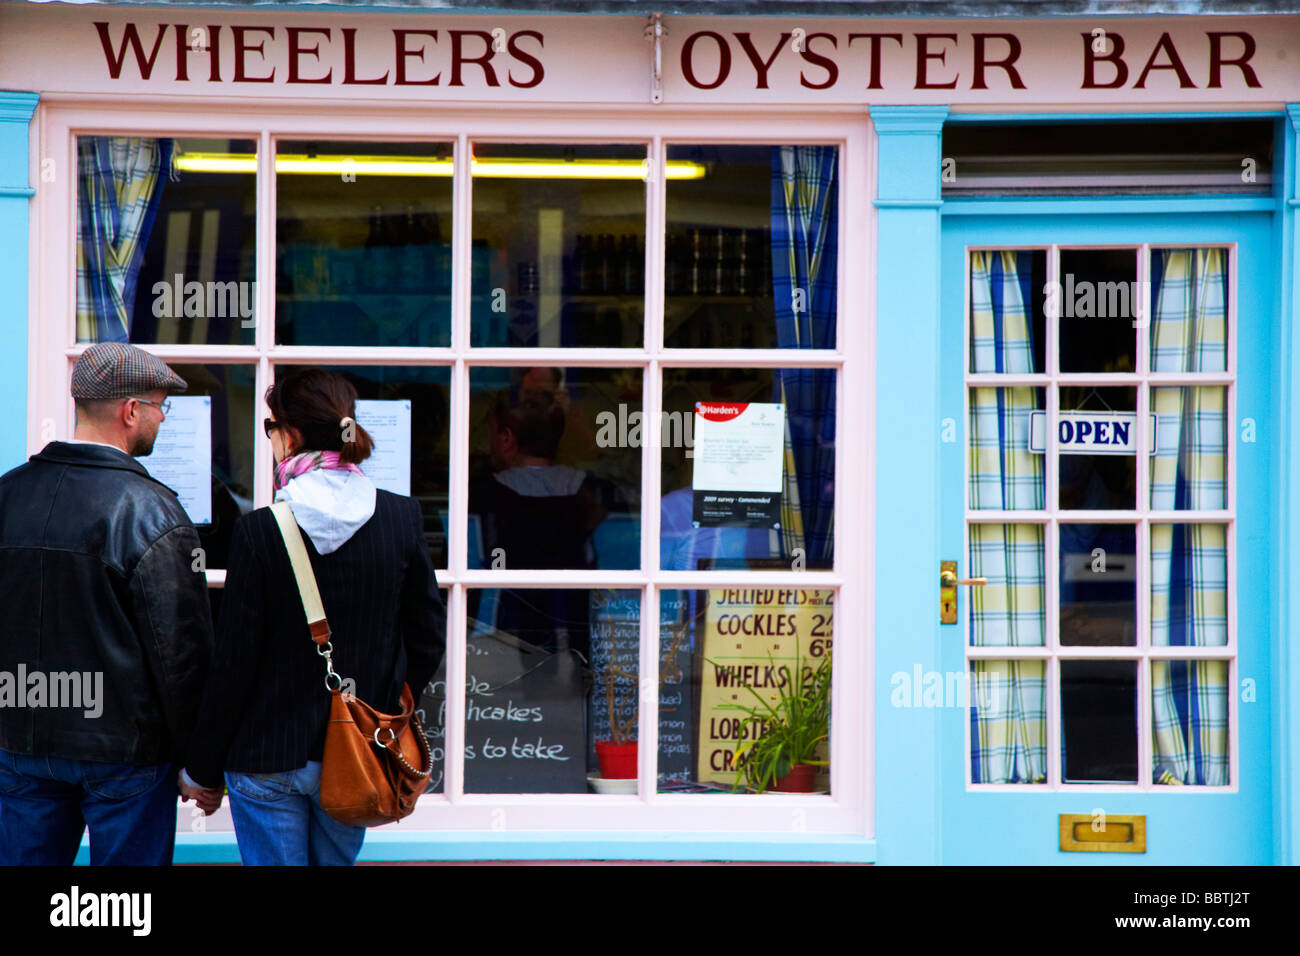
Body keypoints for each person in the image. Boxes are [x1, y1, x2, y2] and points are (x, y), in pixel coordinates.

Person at [183, 368, 445, 866]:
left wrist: (202, 769)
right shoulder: (401, 518)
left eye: (271, 427)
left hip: (265, 753)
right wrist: (385, 708)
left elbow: (233, 664)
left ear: (293, 434)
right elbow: (429, 638)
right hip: (358, 751)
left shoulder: (259, 531)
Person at [0, 342, 215, 865]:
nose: (162, 419)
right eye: (162, 406)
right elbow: (181, 657)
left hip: (19, 739)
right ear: (130, 410)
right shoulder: (154, 511)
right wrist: (199, 763)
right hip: (126, 754)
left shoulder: (7, 495)